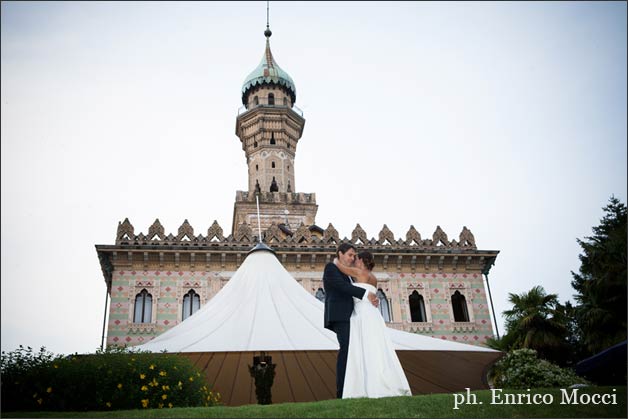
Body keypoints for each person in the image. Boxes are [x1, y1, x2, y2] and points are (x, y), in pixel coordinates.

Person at [334, 251, 412, 399]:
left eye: (355, 258)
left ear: (361, 260)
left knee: (363, 349)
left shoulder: (358, 272)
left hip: (362, 315)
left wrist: (341, 256)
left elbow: (339, 267)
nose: (353, 261)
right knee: (377, 349)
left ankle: (365, 388)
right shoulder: (374, 278)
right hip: (374, 315)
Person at [323, 243, 379, 399]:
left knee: (353, 352)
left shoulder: (351, 274)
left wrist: (372, 296)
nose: (353, 258)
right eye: (350, 254)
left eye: (354, 255)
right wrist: (366, 294)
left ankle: (356, 389)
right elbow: (341, 286)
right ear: (340, 254)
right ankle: (342, 393)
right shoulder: (331, 268)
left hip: (353, 316)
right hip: (340, 316)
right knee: (346, 351)